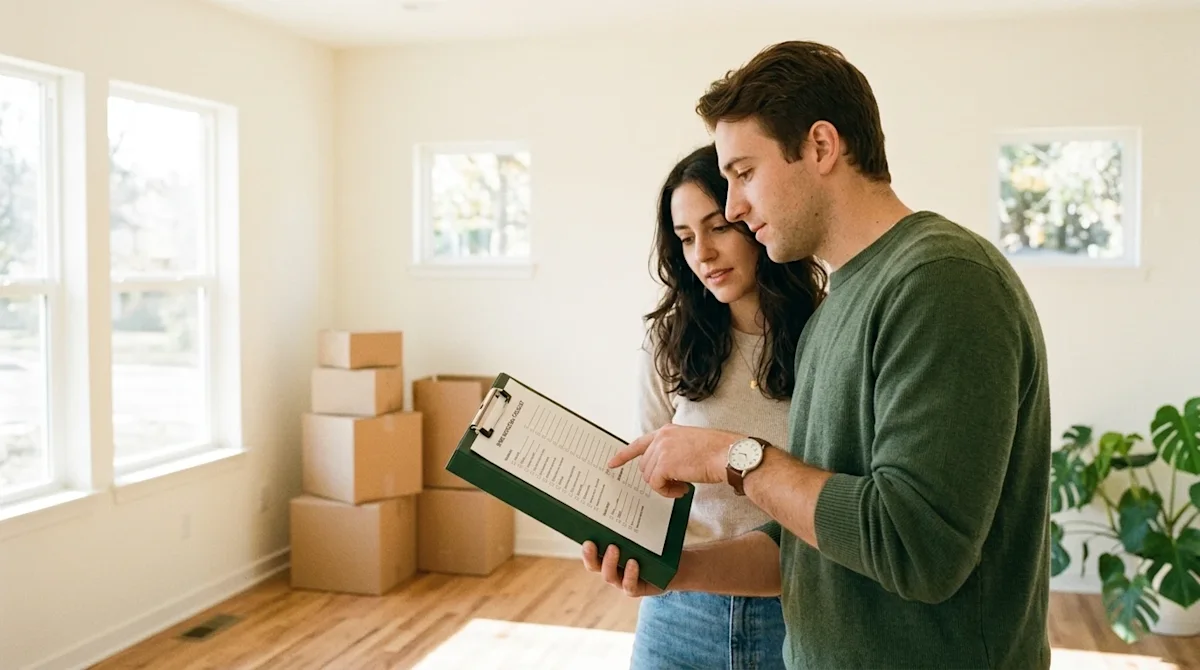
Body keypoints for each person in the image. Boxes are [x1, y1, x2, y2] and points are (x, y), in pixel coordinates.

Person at [582, 40, 1053, 669]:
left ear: (822, 147)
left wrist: (731, 456)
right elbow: (808, 543)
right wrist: (678, 572)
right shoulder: (842, 308)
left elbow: (915, 549)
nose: (735, 207)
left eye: (744, 173)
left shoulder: (943, 279)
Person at [626, 143, 826, 669]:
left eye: (717, 227)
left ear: (752, 216)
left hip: (797, 610)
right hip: (678, 609)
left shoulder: (829, 335)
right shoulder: (668, 341)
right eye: (686, 238)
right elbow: (649, 482)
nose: (703, 254)